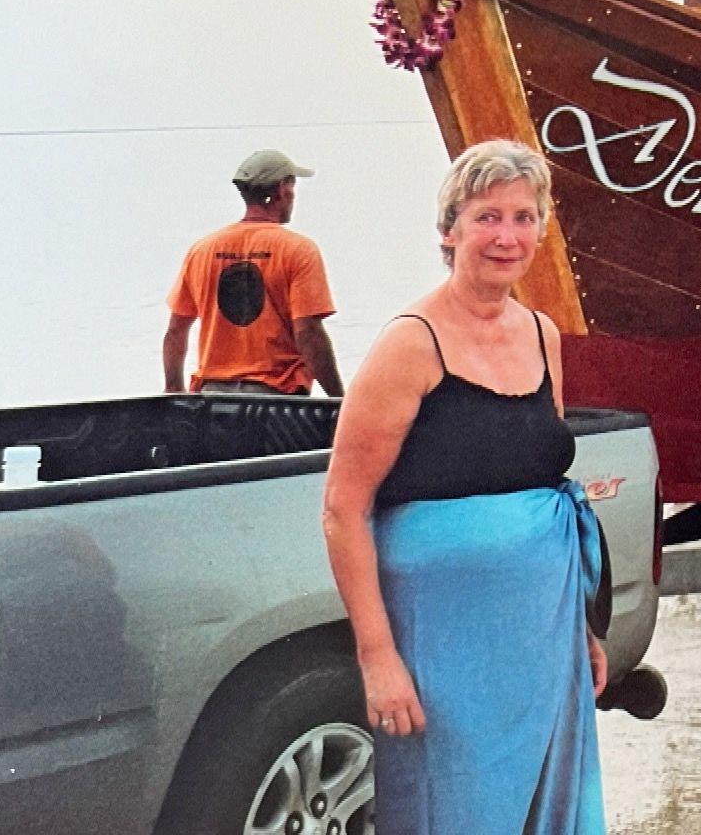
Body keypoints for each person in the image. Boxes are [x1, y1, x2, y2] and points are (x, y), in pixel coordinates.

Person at [321, 140, 607, 835]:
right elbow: (342, 510)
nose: (506, 236)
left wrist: (585, 631)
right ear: (449, 231)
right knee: (454, 807)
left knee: (546, 801)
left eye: (523, 216)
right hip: (442, 643)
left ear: (541, 229)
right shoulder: (410, 343)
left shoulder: (543, 333)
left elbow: (542, 473)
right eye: (486, 217)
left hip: (544, 632)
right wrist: (378, 657)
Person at [163, 149, 343, 396]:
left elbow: (176, 330)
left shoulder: (202, 250)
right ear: (282, 189)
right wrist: (338, 399)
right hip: (277, 403)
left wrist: (174, 390)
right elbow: (308, 333)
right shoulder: (298, 250)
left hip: (212, 399)